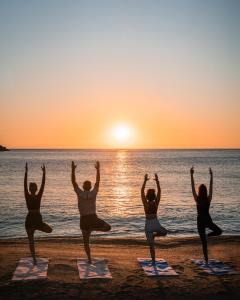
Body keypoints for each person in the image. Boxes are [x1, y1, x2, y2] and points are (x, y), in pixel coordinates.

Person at [71, 160, 111, 264]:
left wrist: (73, 170)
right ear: (90, 187)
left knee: (86, 242)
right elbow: (98, 182)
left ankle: (89, 259)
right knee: (108, 227)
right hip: (93, 218)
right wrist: (98, 170)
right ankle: (93, 229)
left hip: (84, 219)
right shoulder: (93, 193)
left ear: (84, 186)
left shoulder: (80, 193)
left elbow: (74, 183)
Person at [190, 167, 222, 264]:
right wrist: (211, 175)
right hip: (207, 220)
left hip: (200, 221)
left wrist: (191, 175)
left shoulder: (197, 199)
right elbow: (211, 186)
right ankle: (208, 235)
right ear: (206, 191)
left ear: (199, 191)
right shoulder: (208, 198)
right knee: (219, 231)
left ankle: (206, 260)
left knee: (204, 243)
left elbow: (192, 187)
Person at [24, 163, 52, 264]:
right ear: (34, 189)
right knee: (33, 240)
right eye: (34, 187)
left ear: (33, 189)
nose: (33, 189)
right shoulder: (34, 195)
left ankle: (34, 259)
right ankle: (34, 259)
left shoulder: (29, 195)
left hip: (34, 220)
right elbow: (43, 185)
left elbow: (25, 185)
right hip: (33, 220)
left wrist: (26, 172)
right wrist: (44, 173)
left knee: (32, 240)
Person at [141, 173, 167, 265]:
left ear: (147, 196)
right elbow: (160, 191)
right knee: (164, 232)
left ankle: (153, 261)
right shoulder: (155, 203)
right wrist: (157, 181)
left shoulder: (146, 203)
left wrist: (144, 181)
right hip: (155, 223)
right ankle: (155, 236)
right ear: (154, 196)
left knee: (151, 246)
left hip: (149, 224)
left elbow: (141, 192)